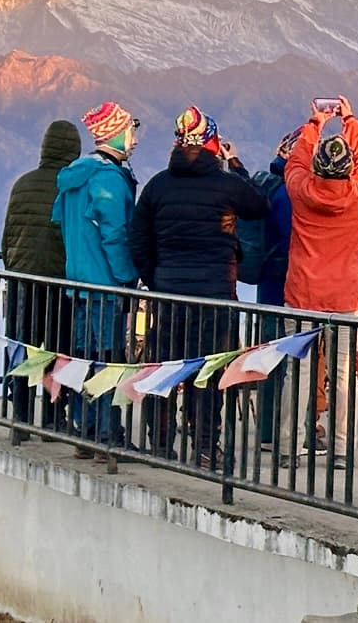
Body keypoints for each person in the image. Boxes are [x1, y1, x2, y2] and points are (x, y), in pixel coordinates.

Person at [129, 106, 270, 466]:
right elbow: (259, 206)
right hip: (214, 295)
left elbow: (138, 238)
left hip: (169, 293)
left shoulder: (157, 185)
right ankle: (206, 446)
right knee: (208, 370)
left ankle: (160, 443)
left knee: (165, 368)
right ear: (213, 143)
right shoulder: (226, 184)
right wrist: (234, 163)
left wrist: (154, 277)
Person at [281, 97, 358, 463]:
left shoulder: (301, 190)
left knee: (299, 372)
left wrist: (315, 122)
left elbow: (295, 159)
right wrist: (349, 119)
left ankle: (290, 446)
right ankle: (341, 449)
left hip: (302, 293)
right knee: (343, 376)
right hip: (345, 296)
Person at [51, 103, 140, 460]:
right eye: (130, 132)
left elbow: (62, 224)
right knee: (106, 358)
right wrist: (127, 277)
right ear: (115, 133)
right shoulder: (107, 180)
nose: (133, 141)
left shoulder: (73, 178)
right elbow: (115, 234)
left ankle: (85, 430)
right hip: (105, 285)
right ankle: (107, 435)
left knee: (82, 358)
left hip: (78, 282)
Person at [2, 119, 81, 431]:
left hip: (23, 279)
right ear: (74, 150)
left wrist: (14, 267)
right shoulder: (71, 188)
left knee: (24, 346)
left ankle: (20, 416)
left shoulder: (22, 183)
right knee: (58, 350)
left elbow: (7, 236)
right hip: (59, 283)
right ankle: (53, 419)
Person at [253, 129, 298, 447]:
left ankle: (269, 428)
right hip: (285, 282)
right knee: (284, 359)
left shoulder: (269, 187)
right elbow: (292, 238)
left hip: (267, 281)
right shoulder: (288, 195)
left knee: (268, 356)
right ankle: (277, 430)